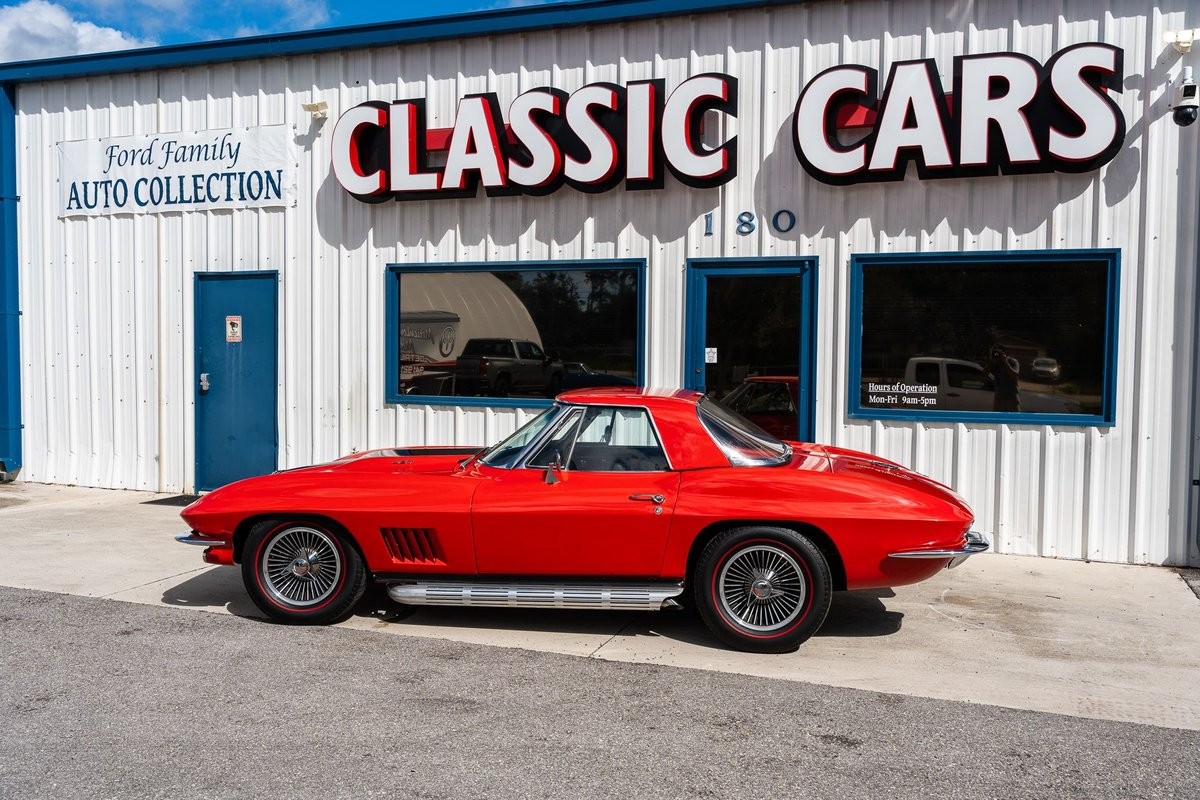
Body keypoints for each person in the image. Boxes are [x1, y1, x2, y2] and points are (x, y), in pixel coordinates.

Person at [984, 345, 1020, 412]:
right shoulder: (994, 363)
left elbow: (1014, 375)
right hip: (999, 397)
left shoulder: (1012, 361)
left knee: (1013, 419)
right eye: (995, 352)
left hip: (1011, 397)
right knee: (997, 419)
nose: (997, 354)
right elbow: (984, 374)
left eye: (999, 352)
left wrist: (1005, 362)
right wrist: (990, 363)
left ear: (1004, 353)